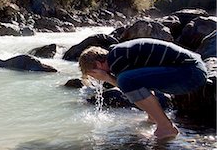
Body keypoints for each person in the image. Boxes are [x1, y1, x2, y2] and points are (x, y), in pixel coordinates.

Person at [78, 38, 208, 140]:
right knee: (131, 79)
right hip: (193, 69)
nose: (96, 79)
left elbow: (127, 85)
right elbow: (142, 83)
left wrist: (107, 78)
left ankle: (166, 127)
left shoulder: (116, 60)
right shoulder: (118, 54)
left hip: (190, 73)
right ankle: (153, 118)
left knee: (125, 79)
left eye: (93, 74)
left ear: (99, 64)